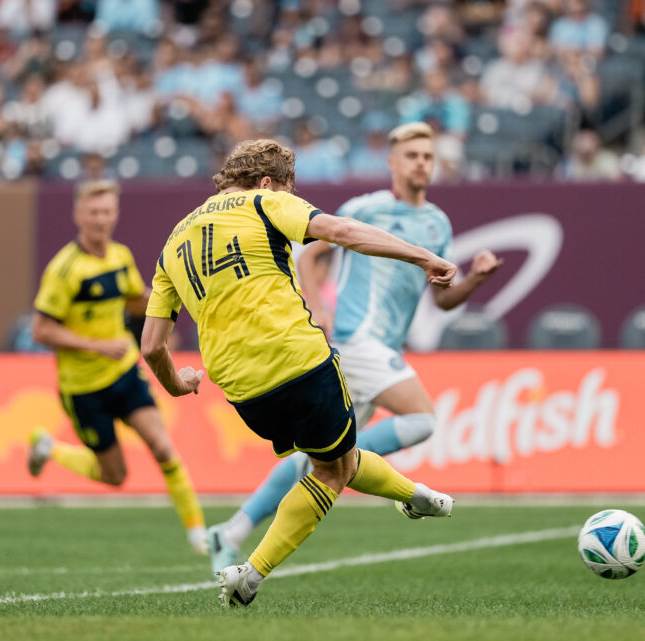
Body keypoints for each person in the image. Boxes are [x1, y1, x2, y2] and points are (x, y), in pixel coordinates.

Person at [139, 138, 459, 607]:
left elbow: (151, 346)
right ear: (270, 182)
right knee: (332, 472)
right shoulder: (265, 201)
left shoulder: (173, 242)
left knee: (333, 460)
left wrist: (180, 383)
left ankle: (418, 496)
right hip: (299, 360)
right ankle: (250, 573)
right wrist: (423, 256)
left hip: (241, 389)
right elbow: (343, 231)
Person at [204, 123, 500, 575]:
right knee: (420, 419)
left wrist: (475, 278)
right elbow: (313, 255)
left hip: (381, 347)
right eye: (412, 155)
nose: (421, 162)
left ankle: (233, 529)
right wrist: (318, 307)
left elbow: (441, 297)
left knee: (321, 459)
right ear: (393, 162)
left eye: (427, 156)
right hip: (357, 341)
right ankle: (382, 478)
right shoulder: (365, 208)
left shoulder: (437, 222)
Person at [27, 180, 207, 554]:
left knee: (162, 447)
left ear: (116, 214)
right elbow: (41, 329)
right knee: (115, 476)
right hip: (83, 388)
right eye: (93, 212)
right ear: (78, 215)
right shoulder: (64, 269)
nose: (100, 219)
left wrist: (179, 298)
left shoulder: (120, 256)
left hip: (124, 372)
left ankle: (199, 534)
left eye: (107, 211)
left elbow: (134, 302)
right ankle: (48, 447)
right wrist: (97, 345)